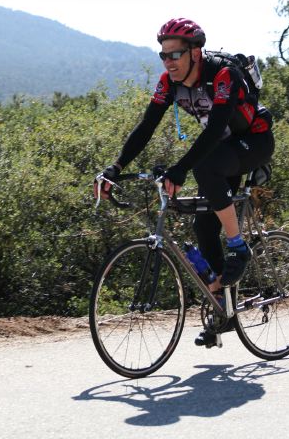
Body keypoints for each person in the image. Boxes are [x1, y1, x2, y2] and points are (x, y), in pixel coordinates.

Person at [95, 18, 274, 348]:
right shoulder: (169, 82)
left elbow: (212, 130)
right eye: (163, 56)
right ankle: (226, 310)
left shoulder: (223, 75)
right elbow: (146, 126)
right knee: (204, 228)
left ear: (195, 52)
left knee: (204, 168)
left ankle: (239, 247)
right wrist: (115, 167)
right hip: (224, 150)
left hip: (255, 141)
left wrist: (179, 170)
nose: (168, 63)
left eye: (175, 55)